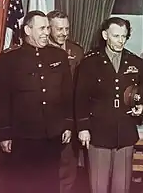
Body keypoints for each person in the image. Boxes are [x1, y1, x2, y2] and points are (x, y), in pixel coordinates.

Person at [0, 10, 74, 193]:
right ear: (28, 30)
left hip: (52, 134)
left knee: (50, 183)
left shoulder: (59, 56)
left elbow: (66, 94)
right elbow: (0, 100)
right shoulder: (9, 59)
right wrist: (4, 134)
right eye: (42, 28)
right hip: (23, 136)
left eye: (48, 28)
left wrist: (68, 124)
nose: (47, 32)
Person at [75, 17, 143, 193]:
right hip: (98, 132)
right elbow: (80, 97)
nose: (120, 40)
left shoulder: (135, 62)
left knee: (122, 187)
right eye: (116, 36)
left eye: (124, 36)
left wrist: (142, 108)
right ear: (105, 35)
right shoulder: (89, 62)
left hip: (125, 132)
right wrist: (83, 128)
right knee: (98, 186)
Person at [47, 10, 84, 193]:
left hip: (71, 116)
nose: (64, 33)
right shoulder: (42, 50)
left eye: (66, 29)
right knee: (47, 166)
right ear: (48, 29)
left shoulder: (76, 51)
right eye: (59, 29)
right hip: (48, 118)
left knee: (69, 164)